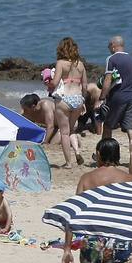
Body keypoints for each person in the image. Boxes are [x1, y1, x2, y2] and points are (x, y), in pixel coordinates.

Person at [51, 37, 86, 167]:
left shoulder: (60, 63)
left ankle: (68, 163)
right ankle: (77, 151)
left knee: (64, 132)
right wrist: (83, 101)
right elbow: (85, 85)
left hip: (64, 99)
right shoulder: (81, 64)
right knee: (72, 130)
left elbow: (55, 82)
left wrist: (49, 84)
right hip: (77, 98)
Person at [99, 35, 132, 150]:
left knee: (107, 126)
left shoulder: (111, 59)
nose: (108, 48)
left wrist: (102, 97)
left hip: (117, 97)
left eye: (109, 46)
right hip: (131, 97)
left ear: (113, 45)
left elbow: (107, 80)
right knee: (131, 128)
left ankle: (104, 153)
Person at [20, 94, 70, 168]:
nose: (23, 111)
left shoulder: (45, 105)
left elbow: (50, 126)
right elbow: (20, 122)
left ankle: (73, 137)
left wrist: (45, 142)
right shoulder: (27, 111)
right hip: (53, 127)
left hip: (62, 127)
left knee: (53, 143)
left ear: (33, 107)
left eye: (25, 109)